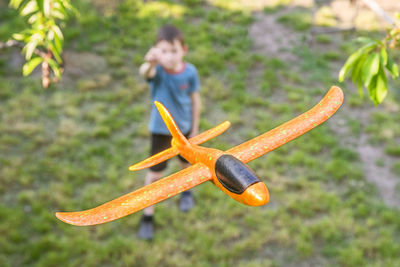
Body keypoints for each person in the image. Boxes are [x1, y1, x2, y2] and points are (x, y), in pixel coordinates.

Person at [137, 25, 201, 240]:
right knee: (156, 174)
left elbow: (195, 100)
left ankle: (187, 192)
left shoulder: (190, 72)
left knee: (186, 166)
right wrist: (151, 62)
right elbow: (145, 72)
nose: (170, 56)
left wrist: (194, 127)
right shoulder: (158, 72)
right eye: (164, 51)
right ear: (156, 51)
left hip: (183, 130)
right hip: (160, 132)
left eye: (174, 51)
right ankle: (148, 215)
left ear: (184, 49)